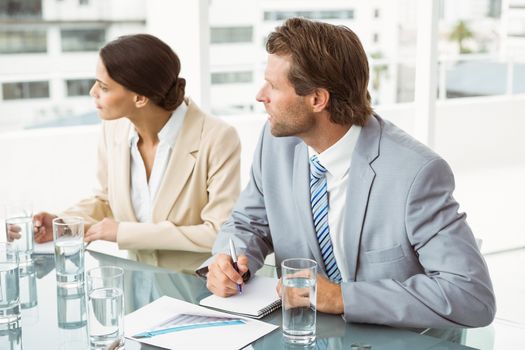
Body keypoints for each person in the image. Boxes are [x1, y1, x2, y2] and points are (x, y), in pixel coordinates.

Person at [201, 18, 495, 328]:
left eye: (273, 86)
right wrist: (228, 260)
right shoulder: (277, 144)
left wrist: (343, 297)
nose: (261, 96)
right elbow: (248, 223)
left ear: (317, 99)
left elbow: (471, 296)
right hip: (301, 334)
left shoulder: (414, 173)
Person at [32, 34, 241, 272]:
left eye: (103, 87)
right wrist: (65, 223)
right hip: (134, 284)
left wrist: (125, 233)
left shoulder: (218, 137)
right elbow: (106, 200)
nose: (93, 92)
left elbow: (218, 232)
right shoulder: (114, 128)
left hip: (192, 287)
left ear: (140, 98)